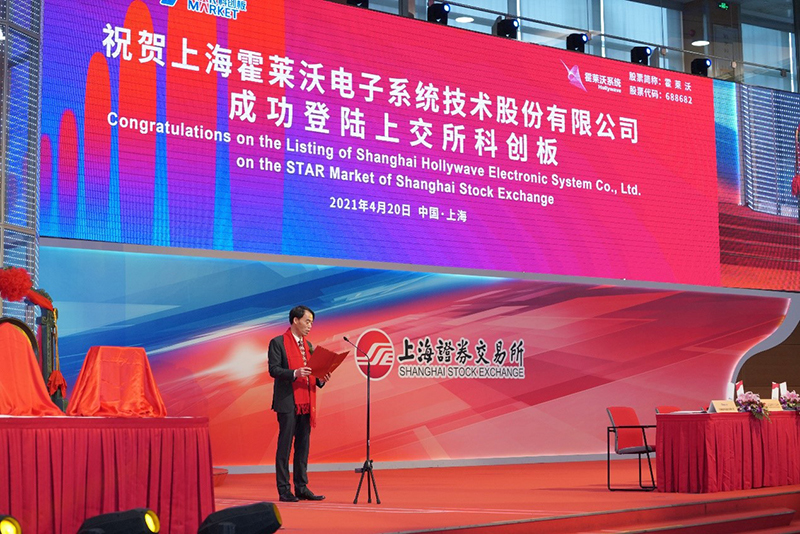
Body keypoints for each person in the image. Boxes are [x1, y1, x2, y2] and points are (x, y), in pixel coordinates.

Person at [268, 305, 330, 502]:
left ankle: (301, 487)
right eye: (307, 321)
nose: (310, 326)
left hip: (306, 401)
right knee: (285, 447)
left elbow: (313, 372)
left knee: (303, 446)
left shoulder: (308, 345)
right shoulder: (277, 342)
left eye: (312, 322)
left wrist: (321, 378)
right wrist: (295, 373)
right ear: (295, 320)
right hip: (288, 401)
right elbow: (273, 370)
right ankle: (284, 489)